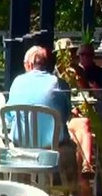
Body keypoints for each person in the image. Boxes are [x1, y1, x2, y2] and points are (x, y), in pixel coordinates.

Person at [7, 45, 96, 185]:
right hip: (53, 150)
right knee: (74, 142)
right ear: (50, 65)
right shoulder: (59, 84)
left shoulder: (17, 82)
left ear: (30, 64)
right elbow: (65, 116)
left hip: (21, 149)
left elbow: (9, 117)